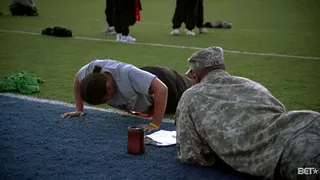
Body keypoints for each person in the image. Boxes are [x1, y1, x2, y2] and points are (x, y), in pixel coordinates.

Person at [175, 47, 320, 180]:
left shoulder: (191, 96)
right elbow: (278, 109)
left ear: (195, 77)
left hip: (290, 155)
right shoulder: (250, 84)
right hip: (307, 121)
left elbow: (191, 155)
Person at [61, 59, 193, 131]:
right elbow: (78, 79)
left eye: (107, 96)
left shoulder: (126, 73)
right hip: (145, 88)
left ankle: (197, 73)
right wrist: (79, 109)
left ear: (108, 85)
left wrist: (155, 124)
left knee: (195, 91)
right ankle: (190, 76)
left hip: (167, 83)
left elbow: (162, 89)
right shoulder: (90, 71)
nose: (109, 100)